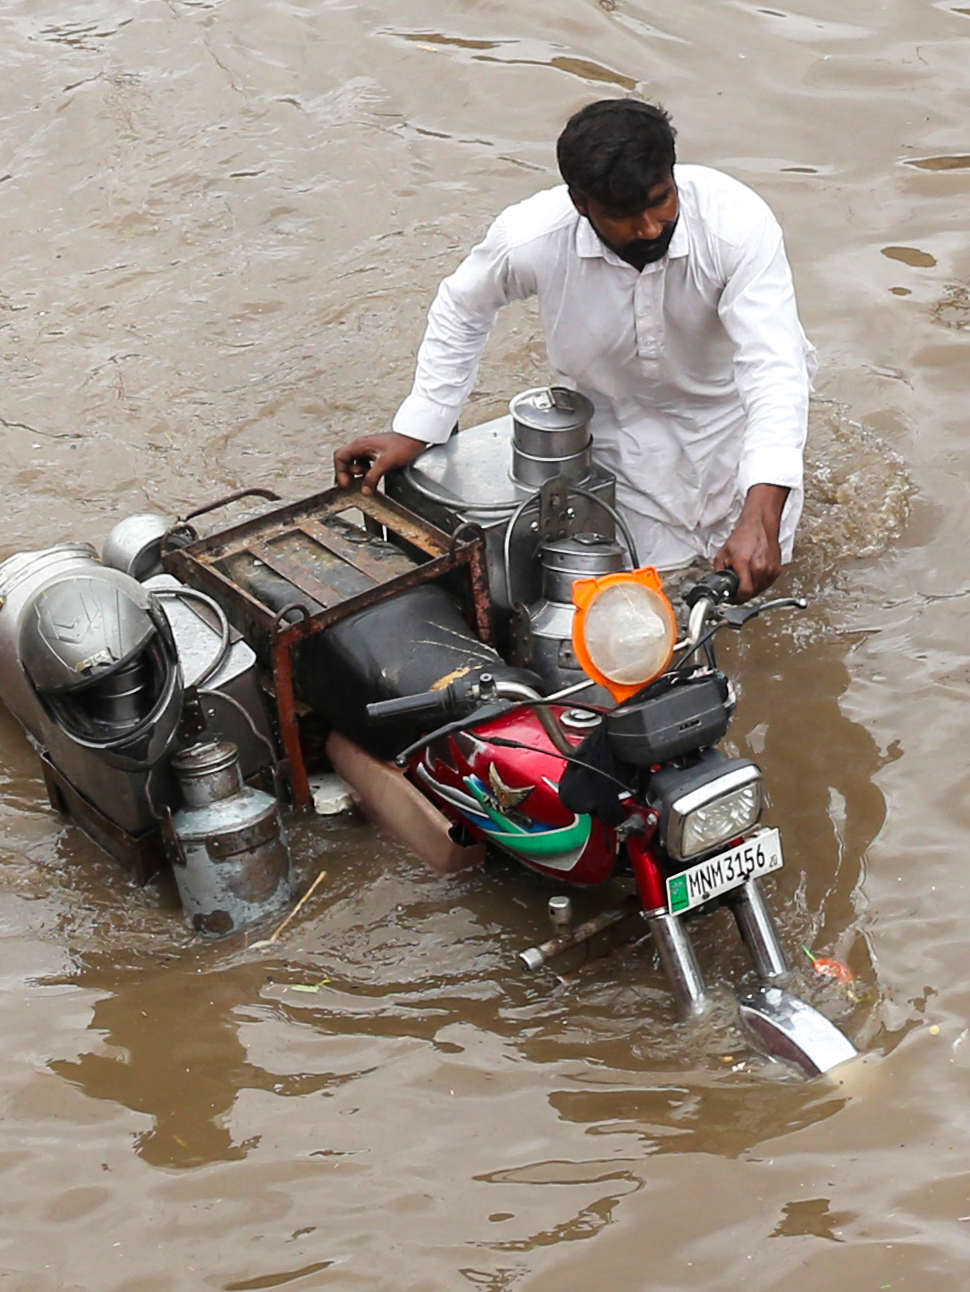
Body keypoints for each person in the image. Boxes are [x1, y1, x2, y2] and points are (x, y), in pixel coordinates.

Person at [326, 97, 816, 869]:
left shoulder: (737, 225)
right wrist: (419, 425)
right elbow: (462, 306)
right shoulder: (534, 237)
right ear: (582, 206)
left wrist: (761, 510)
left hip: (734, 436)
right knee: (641, 638)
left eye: (661, 204)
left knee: (755, 608)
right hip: (618, 446)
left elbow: (775, 375)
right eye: (627, 216)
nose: (651, 228)